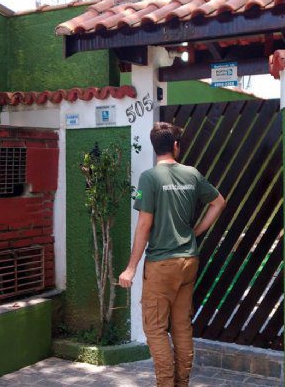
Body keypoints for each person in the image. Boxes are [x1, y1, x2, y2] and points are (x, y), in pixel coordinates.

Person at [119, 122, 226, 387]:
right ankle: (181, 383)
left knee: (155, 329)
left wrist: (131, 267)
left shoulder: (150, 178)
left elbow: (144, 225)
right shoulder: (192, 174)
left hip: (161, 265)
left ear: (155, 147)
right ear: (176, 146)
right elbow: (218, 202)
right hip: (188, 261)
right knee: (181, 326)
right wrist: (196, 232)